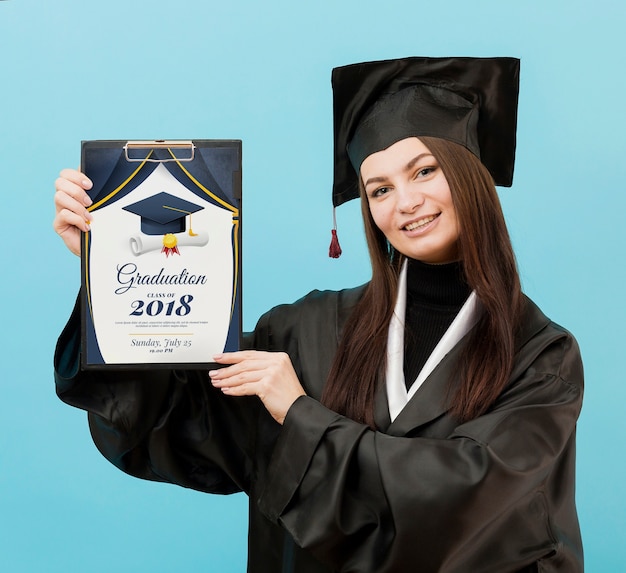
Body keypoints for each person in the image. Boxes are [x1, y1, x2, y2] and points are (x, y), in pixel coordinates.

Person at [53, 57, 584, 572]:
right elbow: (172, 416)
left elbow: (467, 500)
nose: (406, 202)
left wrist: (300, 413)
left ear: (472, 176)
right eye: (379, 189)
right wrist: (111, 267)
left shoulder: (540, 356)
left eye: (424, 170)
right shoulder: (303, 331)